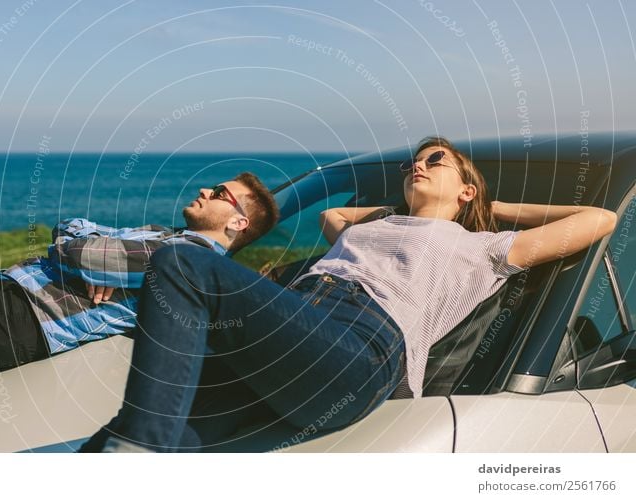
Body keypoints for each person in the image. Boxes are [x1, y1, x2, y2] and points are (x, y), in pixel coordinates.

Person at [80, 136, 619, 452]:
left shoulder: (486, 248)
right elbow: (331, 214)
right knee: (104, 445)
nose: (418, 166)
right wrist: (398, 212)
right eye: (415, 161)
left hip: (360, 347)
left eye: (435, 161)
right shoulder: (373, 229)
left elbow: (599, 218)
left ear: (467, 188)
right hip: (295, 333)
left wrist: (487, 209)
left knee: (180, 260)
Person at [0, 172, 280, 418]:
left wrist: (85, 254)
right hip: (3, 307)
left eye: (221, 194)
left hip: (9, 318)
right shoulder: (166, 238)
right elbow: (72, 231)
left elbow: (76, 246)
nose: (205, 189)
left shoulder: (183, 256)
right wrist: (84, 256)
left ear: (238, 223)